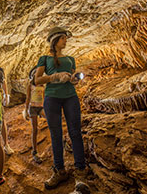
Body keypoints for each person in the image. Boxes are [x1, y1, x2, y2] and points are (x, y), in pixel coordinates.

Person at [34, 27, 86, 189]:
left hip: (70, 95)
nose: (66, 41)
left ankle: (80, 171)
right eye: (63, 38)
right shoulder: (44, 58)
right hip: (52, 98)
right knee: (56, 134)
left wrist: (73, 80)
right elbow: (37, 80)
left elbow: (71, 76)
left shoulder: (70, 58)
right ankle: (59, 171)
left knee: (75, 132)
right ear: (55, 40)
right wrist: (55, 77)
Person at [23, 66, 45, 164]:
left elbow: (44, 97)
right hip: (33, 108)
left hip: (41, 108)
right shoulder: (30, 85)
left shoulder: (42, 85)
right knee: (35, 129)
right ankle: (35, 151)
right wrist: (26, 110)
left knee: (52, 120)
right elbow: (28, 98)